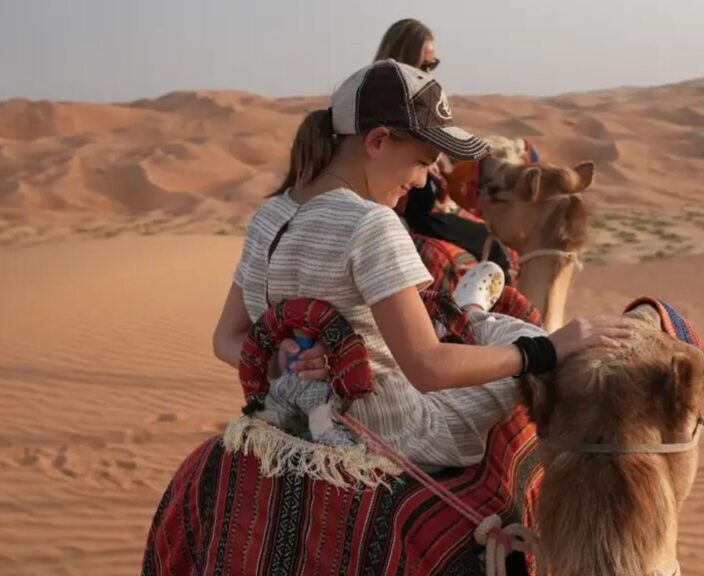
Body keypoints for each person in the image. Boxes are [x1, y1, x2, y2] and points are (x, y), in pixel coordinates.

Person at [212, 59, 632, 467]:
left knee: (485, 334)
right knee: (518, 336)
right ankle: (470, 311)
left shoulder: (270, 216)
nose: (420, 181)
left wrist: (281, 361)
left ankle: (467, 312)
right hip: (395, 431)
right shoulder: (371, 223)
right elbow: (428, 368)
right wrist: (546, 349)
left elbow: (226, 338)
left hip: (292, 417)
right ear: (377, 142)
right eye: (422, 161)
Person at [373, 18, 516, 279]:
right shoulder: (383, 103)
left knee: (497, 236)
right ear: (404, 59)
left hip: (426, 202)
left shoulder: (420, 100)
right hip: (408, 210)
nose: (429, 71)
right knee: (492, 247)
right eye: (426, 64)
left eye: (433, 65)